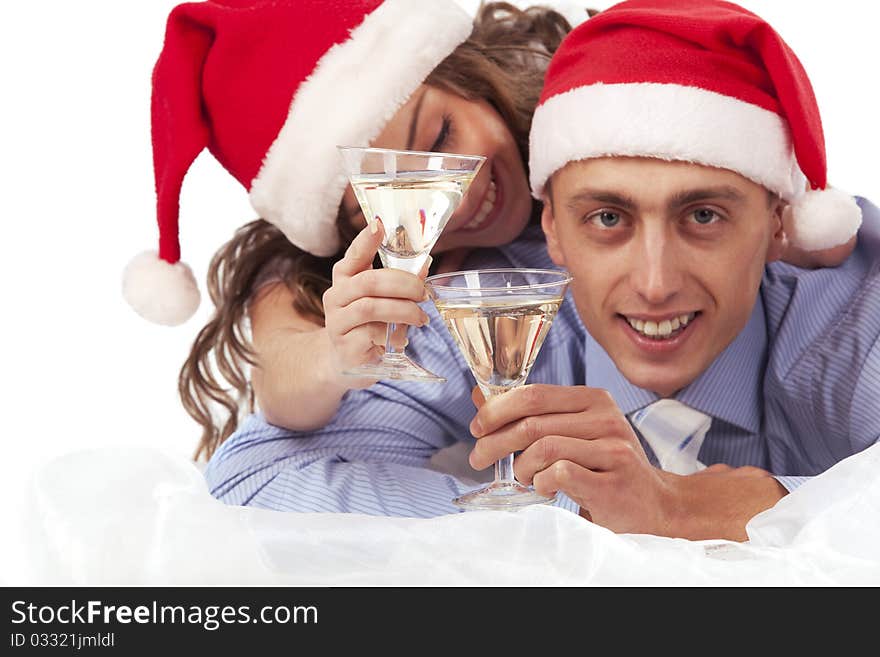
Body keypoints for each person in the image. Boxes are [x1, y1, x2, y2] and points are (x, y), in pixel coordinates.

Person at [201, 0, 877, 542]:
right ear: (549, 226)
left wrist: (686, 506)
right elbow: (257, 472)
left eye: (703, 216)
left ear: (781, 224)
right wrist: (575, 512)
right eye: (606, 218)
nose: (654, 282)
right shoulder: (485, 307)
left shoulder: (840, 331)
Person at [121, 0, 578, 457]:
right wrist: (334, 355)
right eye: (391, 206)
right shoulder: (317, 271)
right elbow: (280, 377)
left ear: (470, 76)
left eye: (440, 137)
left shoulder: (584, 111)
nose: (451, 206)